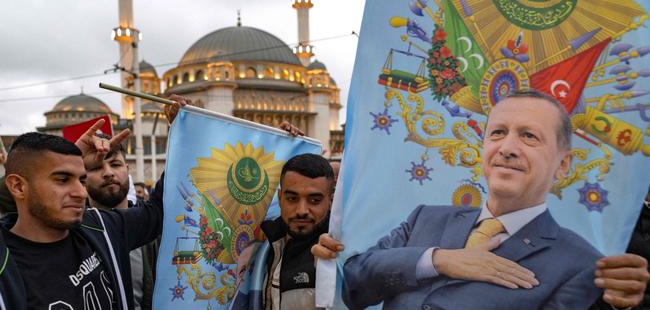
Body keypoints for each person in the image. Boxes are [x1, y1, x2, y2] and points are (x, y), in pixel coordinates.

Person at [312, 89, 650, 309]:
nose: (507, 147)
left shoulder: (580, 263)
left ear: (563, 165)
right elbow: (355, 285)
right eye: (498, 133)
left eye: (529, 136)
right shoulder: (425, 219)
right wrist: (439, 260)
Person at [0, 121, 164, 309]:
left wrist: (187, 131)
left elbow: (159, 209)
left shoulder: (99, 227)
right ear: (18, 186)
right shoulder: (6, 269)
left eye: (82, 180)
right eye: (62, 180)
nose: (81, 193)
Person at [230, 153, 335, 310]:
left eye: (314, 200)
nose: (302, 210)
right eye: (292, 198)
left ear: (331, 200)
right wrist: (284, 138)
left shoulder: (339, 250)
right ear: (280, 198)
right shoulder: (264, 242)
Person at [85, 134, 158, 310]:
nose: (108, 172)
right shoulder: (71, 232)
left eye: (115, 164)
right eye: (96, 167)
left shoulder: (157, 227)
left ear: (127, 169)